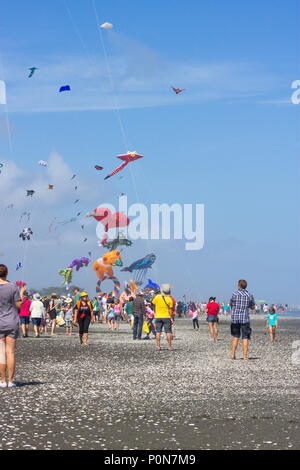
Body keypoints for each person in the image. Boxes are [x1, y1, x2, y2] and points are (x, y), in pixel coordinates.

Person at [0, 264, 25, 388]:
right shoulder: (13, 286)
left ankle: (3, 381)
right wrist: (22, 293)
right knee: (10, 352)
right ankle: (10, 381)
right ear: (7, 273)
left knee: (1, 352)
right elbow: (19, 305)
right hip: (11, 321)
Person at [230, 279, 255, 360]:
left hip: (235, 318)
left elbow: (231, 304)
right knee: (245, 337)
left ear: (239, 285)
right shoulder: (249, 295)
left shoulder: (234, 294)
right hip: (245, 318)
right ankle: (245, 356)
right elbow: (252, 307)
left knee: (235, 336)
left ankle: (233, 355)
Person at [152, 284, 174, 351]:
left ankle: (158, 346)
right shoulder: (169, 299)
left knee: (158, 331)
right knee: (168, 331)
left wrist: (155, 312)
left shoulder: (157, 297)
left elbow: (153, 304)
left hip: (158, 316)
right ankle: (169, 346)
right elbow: (170, 310)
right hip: (166, 316)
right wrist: (171, 317)